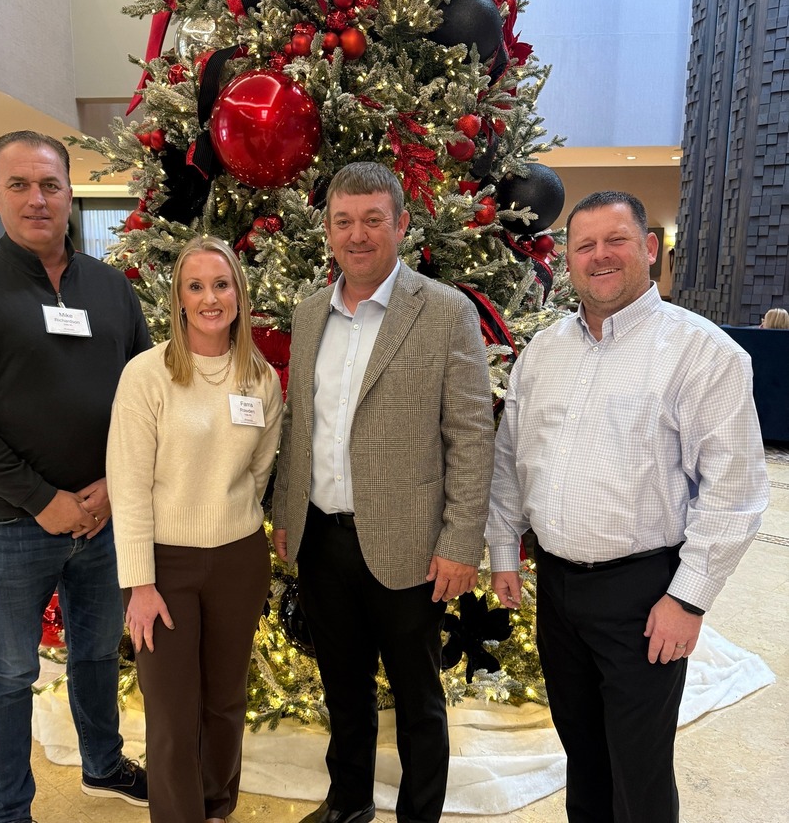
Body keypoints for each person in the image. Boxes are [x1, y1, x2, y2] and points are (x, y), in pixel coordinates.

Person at [486, 190, 769, 823]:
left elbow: (734, 492)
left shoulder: (703, 353)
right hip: (557, 588)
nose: (600, 256)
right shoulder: (543, 352)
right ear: (567, 260)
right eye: (584, 245)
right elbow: (511, 460)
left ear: (648, 248)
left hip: (644, 596)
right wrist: (504, 549)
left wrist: (688, 599)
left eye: (615, 240)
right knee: (583, 757)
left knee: (638, 773)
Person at [0, 130, 152, 823]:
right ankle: (10, 809)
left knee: (96, 654)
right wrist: (40, 499)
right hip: (11, 525)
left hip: (103, 519)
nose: (36, 199)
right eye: (19, 185)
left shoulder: (111, 289)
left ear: (69, 193)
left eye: (50, 185)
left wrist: (114, 484)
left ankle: (103, 764)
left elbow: (146, 399)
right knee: (10, 671)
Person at [272, 162, 495, 823]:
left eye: (373, 219)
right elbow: (298, 423)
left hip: (410, 546)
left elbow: (471, 436)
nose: (358, 234)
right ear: (328, 229)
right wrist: (286, 514)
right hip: (321, 538)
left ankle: (418, 815)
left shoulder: (446, 312)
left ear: (401, 224)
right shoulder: (309, 314)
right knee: (343, 689)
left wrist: (461, 542)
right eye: (344, 221)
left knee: (418, 698)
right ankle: (348, 804)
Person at [106, 235, 283, 823]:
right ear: (179, 298)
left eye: (221, 284)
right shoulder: (147, 376)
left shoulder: (260, 378)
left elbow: (258, 470)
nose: (210, 298)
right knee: (172, 713)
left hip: (238, 559)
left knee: (226, 702)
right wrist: (140, 582)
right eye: (196, 286)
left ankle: (215, 806)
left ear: (239, 293)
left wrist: (230, 512)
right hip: (164, 567)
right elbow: (129, 486)